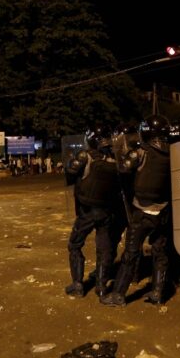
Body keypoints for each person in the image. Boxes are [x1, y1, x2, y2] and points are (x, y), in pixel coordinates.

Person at [101, 115, 173, 307]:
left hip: (142, 211)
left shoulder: (142, 152)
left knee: (130, 254)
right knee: (160, 252)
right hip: (164, 211)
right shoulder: (173, 152)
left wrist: (123, 152)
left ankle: (118, 295)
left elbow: (124, 168)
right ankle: (158, 292)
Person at [64, 124, 123, 298]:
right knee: (103, 250)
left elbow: (70, 172)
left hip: (87, 211)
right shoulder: (116, 160)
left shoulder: (86, 157)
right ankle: (101, 287)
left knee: (74, 245)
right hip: (107, 212)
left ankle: (77, 284)